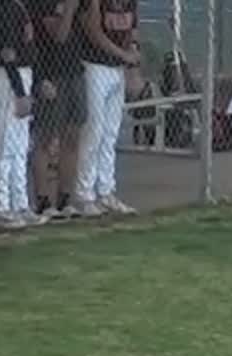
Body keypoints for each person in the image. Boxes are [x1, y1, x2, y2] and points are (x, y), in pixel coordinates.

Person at [74, 0, 139, 216]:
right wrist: (122, 54)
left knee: (110, 133)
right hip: (95, 66)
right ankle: (85, 194)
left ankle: (106, 190)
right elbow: (94, 32)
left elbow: (132, 31)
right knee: (94, 131)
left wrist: (131, 57)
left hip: (117, 69)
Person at [29, 0, 85, 219]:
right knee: (46, 136)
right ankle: (43, 200)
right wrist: (70, 7)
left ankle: (65, 198)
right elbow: (60, 36)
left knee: (72, 136)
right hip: (51, 72)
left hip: (74, 72)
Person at [0, 0, 39, 228]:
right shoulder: (3, 6)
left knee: (20, 144)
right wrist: (19, 91)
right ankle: (2, 206)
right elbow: (7, 53)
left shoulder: (19, 5)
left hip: (23, 73)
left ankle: (20, 203)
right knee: (6, 141)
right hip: (8, 77)